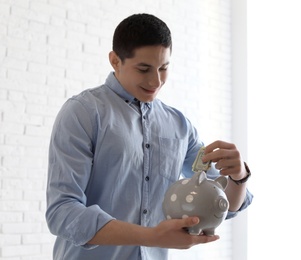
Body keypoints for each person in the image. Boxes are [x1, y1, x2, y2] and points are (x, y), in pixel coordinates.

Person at [46, 13, 253, 260]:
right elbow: (62, 212)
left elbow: (224, 203)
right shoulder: (82, 113)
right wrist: (151, 236)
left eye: (164, 68)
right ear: (115, 61)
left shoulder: (179, 125)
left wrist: (239, 177)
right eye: (144, 69)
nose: (156, 81)